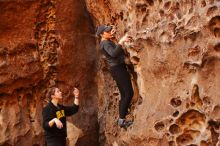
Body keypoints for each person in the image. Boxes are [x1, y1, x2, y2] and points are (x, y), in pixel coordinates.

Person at [96, 25, 134, 128]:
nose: (110, 32)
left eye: (110, 30)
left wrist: (123, 42)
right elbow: (113, 54)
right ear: (102, 34)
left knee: (124, 95)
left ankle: (122, 120)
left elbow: (117, 52)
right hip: (118, 70)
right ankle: (122, 120)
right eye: (108, 31)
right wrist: (121, 42)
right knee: (129, 93)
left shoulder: (107, 42)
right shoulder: (104, 43)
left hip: (117, 69)